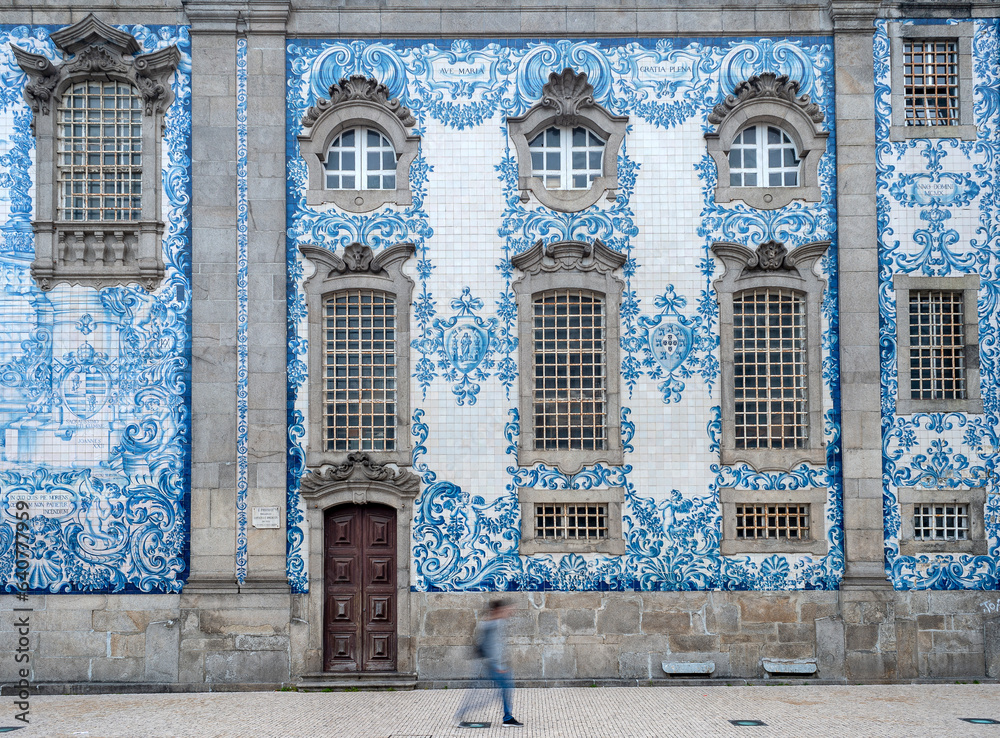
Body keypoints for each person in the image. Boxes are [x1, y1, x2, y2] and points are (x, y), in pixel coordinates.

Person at [455, 599, 522, 728]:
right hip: (494, 665)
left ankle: (508, 718)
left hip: (490, 663)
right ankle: (460, 714)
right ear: (498, 611)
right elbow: (494, 646)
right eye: (505, 610)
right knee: (489, 696)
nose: (509, 612)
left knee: (501, 689)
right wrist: (499, 666)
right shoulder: (494, 624)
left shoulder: (490, 622)